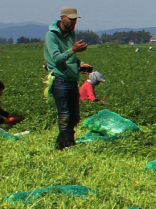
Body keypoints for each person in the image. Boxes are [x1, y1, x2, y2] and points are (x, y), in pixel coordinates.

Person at [44, 6, 87, 150]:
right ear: (62, 18)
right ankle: (69, 146)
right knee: (65, 115)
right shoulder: (52, 36)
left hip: (71, 79)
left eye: (75, 20)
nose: (74, 22)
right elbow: (56, 59)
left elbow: (69, 57)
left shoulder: (71, 34)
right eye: (71, 19)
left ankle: (59, 145)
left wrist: (80, 63)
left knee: (74, 116)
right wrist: (73, 49)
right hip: (60, 79)